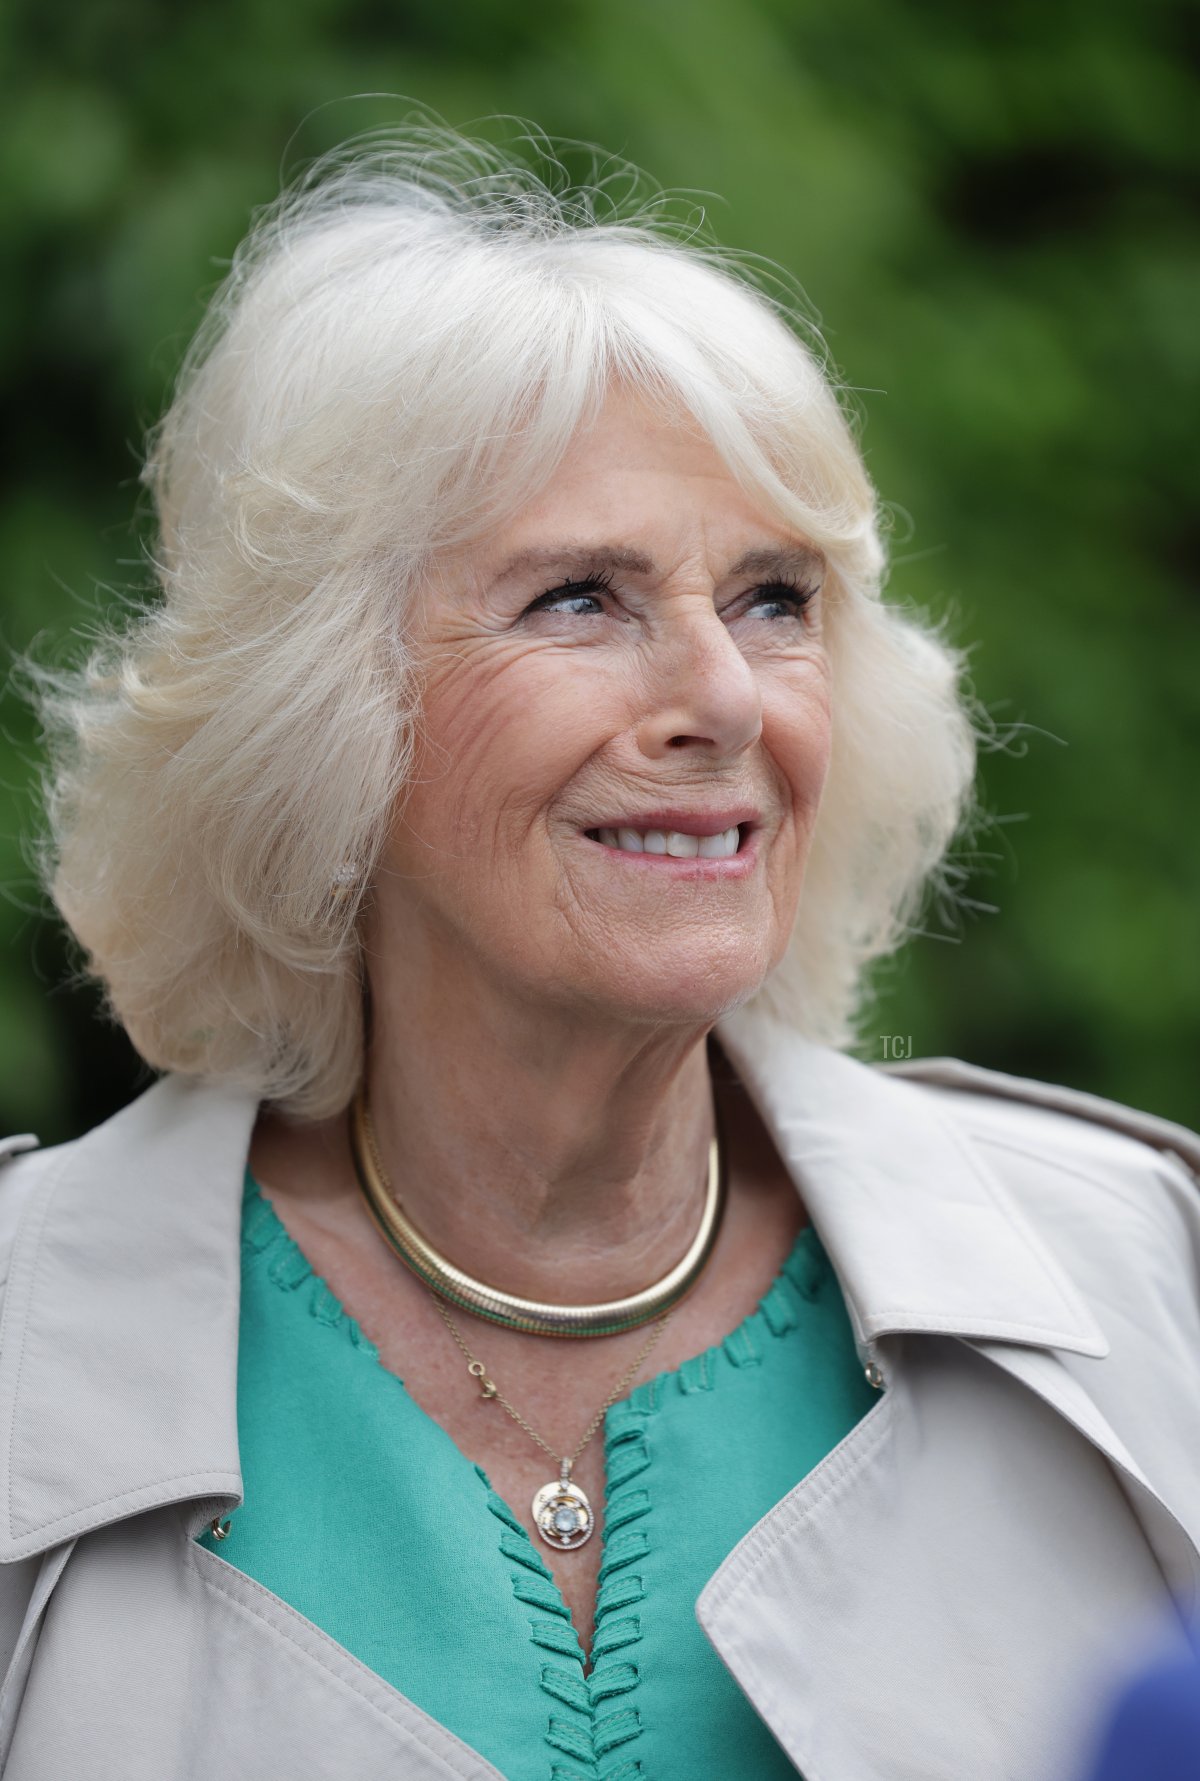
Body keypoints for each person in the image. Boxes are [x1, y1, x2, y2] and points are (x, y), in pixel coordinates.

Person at [1, 121, 1197, 1781]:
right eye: (580, 597)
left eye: (774, 598)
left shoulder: (1144, 1274)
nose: (724, 697)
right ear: (324, 711)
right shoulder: (26, 1332)